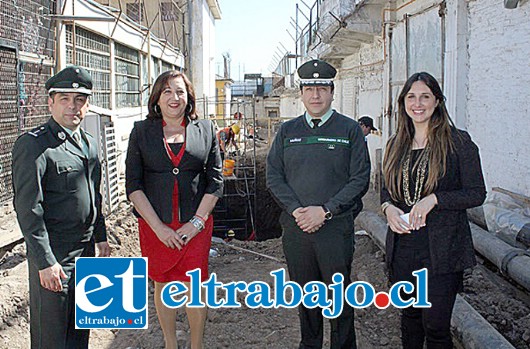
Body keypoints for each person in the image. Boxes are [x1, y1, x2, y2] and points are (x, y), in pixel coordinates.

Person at [267, 59, 370, 349]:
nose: (315, 95)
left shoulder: (349, 130)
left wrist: (325, 211)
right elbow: (274, 176)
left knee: (338, 298)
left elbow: (359, 178)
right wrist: (296, 210)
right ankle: (309, 344)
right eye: (309, 88)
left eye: (322, 88)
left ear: (332, 92)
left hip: (334, 230)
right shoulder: (287, 131)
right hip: (297, 229)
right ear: (301, 93)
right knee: (306, 297)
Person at [381, 72, 486, 349]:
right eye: (411, 97)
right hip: (404, 247)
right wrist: (388, 209)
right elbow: (385, 190)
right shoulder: (395, 144)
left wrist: (435, 199)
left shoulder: (458, 142)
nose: (418, 103)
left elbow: (477, 193)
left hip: (441, 250)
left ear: (437, 101)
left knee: (436, 326)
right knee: (410, 319)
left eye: (425, 96)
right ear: (403, 102)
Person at [12, 65, 110, 349]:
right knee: (52, 338)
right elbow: (29, 209)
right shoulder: (34, 145)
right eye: (64, 99)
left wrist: (100, 236)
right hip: (55, 253)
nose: (72, 106)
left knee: (81, 330)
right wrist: (45, 261)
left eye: (79, 100)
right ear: (50, 102)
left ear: (87, 105)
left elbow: (95, 194)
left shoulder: (89, 144)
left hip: (86, 251)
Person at [125, 70, 223, 349]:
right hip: (156, 226)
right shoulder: (141, 132)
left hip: (196, 226)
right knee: (163, 284)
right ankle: (170, 343)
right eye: (167, 91)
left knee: (195, 286)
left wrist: (197, 222)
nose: (174, 97)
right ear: (157, 98)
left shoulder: (205, 130)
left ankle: (196, 344)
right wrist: (159, 228)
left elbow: (215, 182)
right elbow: (133, 185)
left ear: (188, 97)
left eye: (180, 91)